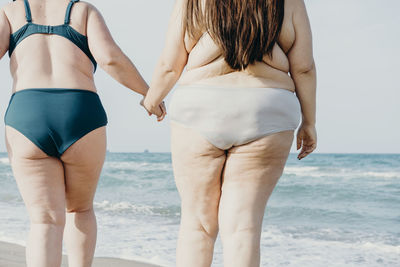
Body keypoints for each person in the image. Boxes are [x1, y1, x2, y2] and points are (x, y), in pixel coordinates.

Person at [143, 0, 317, 266]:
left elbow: (170, 63)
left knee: (196, 225)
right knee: (243, 229)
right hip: (267, 109)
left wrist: (153, 98)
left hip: (200, 106)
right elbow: (303, 68)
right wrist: (309, 122)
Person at [0, 0, 164, 266]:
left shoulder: (11, 12)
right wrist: (149, 93)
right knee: (80, 208)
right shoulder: (82, 11)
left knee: (44, 220)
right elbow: (111, 58)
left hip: (27, 114)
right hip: (80, 112)